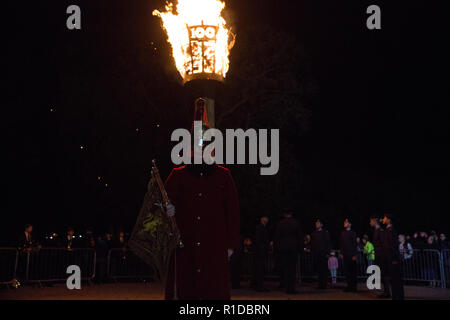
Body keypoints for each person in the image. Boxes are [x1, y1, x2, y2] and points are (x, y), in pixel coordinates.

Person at [273, 209, 302, 294]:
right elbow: (299, 237)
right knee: (292, 269)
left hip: (283, 248)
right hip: (293, 248)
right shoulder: (296, 223)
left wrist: (276, 248)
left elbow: (276, 237)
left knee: (285, 268)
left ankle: (286, 286)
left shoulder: (280, 224)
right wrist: (300, 248)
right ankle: (291, 288)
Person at [382, 213, 404, 300]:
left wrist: (394, 258)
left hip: (393, 259)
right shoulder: (388, 230)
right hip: (390, 259)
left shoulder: (391, 230)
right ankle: (396, 297)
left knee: (396, 280)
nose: (383, 219)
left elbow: (393, 245)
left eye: (384, 218)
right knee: (393, 280)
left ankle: (398, 297)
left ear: (388, 220)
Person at [370, 215, 390, 298]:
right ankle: (385, 291)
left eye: (371, 221)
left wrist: (382, 255)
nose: (370, 223)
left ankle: (387, 292)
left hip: (381, 255)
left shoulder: (380, 231)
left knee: (383, 273)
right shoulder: (376, 230)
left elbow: (383, 244)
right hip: (378, 255)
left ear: (375, 221)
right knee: (381, 273)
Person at [311, 219, 331, 289]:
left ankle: (324, 284)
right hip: (317, 254)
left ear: (321, 225)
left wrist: (328, 253)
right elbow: (313, 244)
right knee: (319, 270)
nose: (317, 224)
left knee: (324, 270)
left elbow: (328, 243)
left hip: (323, 254)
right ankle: (320, 284)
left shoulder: (325, 233)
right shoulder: (314, 233)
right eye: (316, 223)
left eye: (318, 223)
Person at [252, 216, 270, 292]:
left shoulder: (260, 228)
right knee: (260, 269)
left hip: (259, 251)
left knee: (259, 268)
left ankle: (257, 284)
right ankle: (259, 286)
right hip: (260, 252)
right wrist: (263, 247)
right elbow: (259, 240)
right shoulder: (260, 228)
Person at [339, 218, 357, 292]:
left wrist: (354, 255)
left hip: (351, 255)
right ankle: (349, 286)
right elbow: (341, 244)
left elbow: (354, 244)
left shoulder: (353, 233)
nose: (344, 223)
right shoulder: (342, 233)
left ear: (350, 224)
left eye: (346, 222)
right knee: (347, 272)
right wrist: (341, 253)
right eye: (344, 222)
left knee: (353, 271)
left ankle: (354, 287)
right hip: (345, 255)